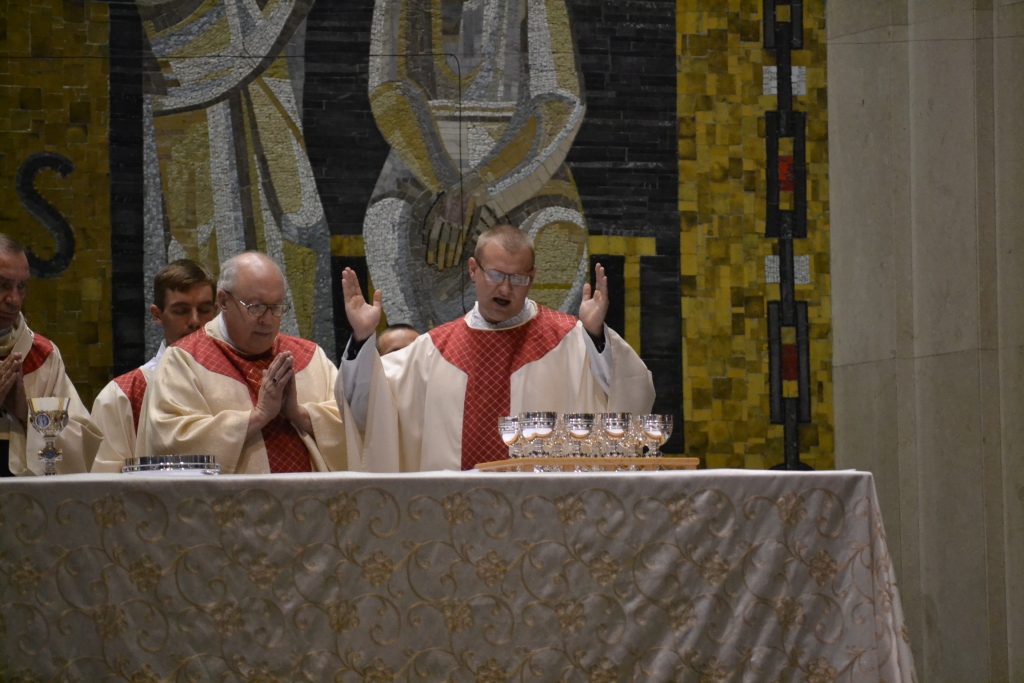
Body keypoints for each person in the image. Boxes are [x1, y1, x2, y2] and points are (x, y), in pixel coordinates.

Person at [336, 224, 655, 472]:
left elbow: (630, 395)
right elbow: (370, 407)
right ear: (474, 270)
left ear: (532, 279)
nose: (504, 288)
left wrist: (597, 334)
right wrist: (363, 338)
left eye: (517, 279)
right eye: (496, 275)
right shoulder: (434, 350)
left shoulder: (568, 339)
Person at [136, 252, 348, 473]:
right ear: (223, 301)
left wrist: (299, 414)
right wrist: (258, 417)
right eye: (255, 307)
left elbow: (352, 431)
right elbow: (170, 442)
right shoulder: (182, 360)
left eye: (276, 307)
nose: (267, 320)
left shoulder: (311, 357)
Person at [90, 260, 217, 472]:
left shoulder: (236, 382)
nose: (195, 321)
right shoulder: (120, 396)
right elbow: (106, 487)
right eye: (181, 310)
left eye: (204, 310)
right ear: (157, 315)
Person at [0, 234, 101, 475]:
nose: (13, 299)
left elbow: (83, 442)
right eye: (2, 285)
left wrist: (29, 414)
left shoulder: (42, 355)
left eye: (21, 287)